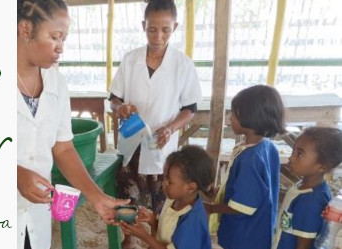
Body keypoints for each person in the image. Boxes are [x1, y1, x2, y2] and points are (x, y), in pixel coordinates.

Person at [17, 1, 128, 248]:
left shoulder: (56, 83)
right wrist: (15, 174)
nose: (61, 48)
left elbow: (63, 148)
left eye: (64, 39)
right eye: (55, 37)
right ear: (25, 29)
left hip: (35, 212)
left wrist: (96, 197)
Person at [109, 0, 201, 246]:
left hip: (162, 143)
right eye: (152, 29)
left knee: (161, 195)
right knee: (129, 194)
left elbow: (190, 109)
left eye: (165, 30)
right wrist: (121, 109)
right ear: (143, 26)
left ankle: (156, 238)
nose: (158, 36)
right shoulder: (130, 60)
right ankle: (128, 237)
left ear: (175, 27)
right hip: (132, 142)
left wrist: (171, 128)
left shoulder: (183, 65)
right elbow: (114, 98)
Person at [204, 85, 286, 249]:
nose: (229, 119)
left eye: (233, 115)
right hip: (260, 230)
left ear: (251, 118)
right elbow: (254, 190)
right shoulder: (267, 147)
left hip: (243, 236)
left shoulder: (249, 159)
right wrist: (220, 191)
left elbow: (243, 207)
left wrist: (211, 208)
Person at [119, 145, 214, 249]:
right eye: (164, 178)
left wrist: (144, 236)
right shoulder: (171, 200)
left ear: (191, 187)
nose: (164, 184)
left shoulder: (192, 220)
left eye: (170, 181)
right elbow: (168, 232)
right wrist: (152, 220)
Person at [272, 127, 342, 249]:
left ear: (322, 166)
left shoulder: (310, 202)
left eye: (299, 154)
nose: (291, 158)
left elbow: (303, 245)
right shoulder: (303, 186)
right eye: (293, 151)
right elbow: (291, 200)